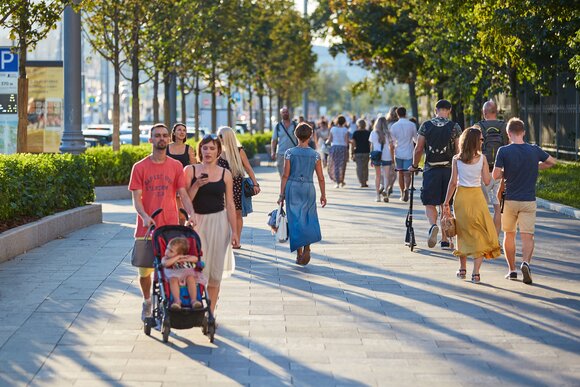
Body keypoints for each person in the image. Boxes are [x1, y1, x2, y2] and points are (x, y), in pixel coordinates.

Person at [128, 123, 196, 322]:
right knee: (145, 271)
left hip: (170, 227)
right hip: (146, 228)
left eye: (165, 135)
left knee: (169, 267)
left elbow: (182, 194)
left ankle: (169, 301)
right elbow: (136, 199)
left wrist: (191, 214)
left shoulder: (176, 166)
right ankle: (147, 300)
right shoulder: (139, 167)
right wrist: (144, 216)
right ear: (150, 140)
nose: (162, 138)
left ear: (169, 138)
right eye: (157, 135)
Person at [492, 118, 556, 284]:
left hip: (510, 200)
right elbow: (552, 161)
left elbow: (495, 175)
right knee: (528, 236)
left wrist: (506, 171)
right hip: (528, 200)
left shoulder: (503, 151)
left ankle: (512, 270)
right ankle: (526, 263)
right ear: (524, 133)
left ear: (508, 133)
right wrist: (535, 166)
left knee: (509, 235)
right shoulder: (533, 150)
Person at [184, 134, 238, 315]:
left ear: (218, 152)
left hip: (219, 223)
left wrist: (235, 232)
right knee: (197, 269)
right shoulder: (190, 170)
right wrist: (197, 185)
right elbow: (184, 200)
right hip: (196, 223)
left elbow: (230, 204)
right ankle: (197, 304)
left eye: (212, 148)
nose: (208, 152)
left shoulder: (225, 174)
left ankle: (210, 313)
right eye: (205, 148)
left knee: (215, 272)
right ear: (199, 150)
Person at [443, 128, 501, 284]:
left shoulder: (456, 159)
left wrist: (446, 202)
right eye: (481, 139)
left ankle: (462, 269)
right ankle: (476, 273)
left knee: (461, 232)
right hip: (476, 198)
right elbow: (488, 181)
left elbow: (453, 182)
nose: (482, 141)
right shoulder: (482, 159)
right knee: (480, 233)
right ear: (475, 141)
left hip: (461, 198)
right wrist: (500, 174)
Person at [410, 99, 462, 249]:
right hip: (448, 170)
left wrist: (414, 166)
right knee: (445, 203)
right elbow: (458, 150)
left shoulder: (426, 126)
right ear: (449, 111)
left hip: (431, 169)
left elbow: (419, 148)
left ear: (436, 110)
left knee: (429, 202)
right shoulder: (455, 127)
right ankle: (445, 238)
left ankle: (433, 225)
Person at [278, 122, 327, 265]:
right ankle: (307, 247)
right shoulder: (315, 155)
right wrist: (323, 195)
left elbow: (285, 175)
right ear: (310, 136)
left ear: (296, 135)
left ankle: (299, 252)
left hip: (292, 187)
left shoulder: (289, 153)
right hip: (308, 188)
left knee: (295, 220)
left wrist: (281, 194)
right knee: (308, 218)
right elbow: (321, 177)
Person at [217, 126, 261, 249]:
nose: (219, 138)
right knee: (222, 215)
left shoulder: (238, 150)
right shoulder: (217, 150)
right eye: (218, 136)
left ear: (228, 137)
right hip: (220, 187)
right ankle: (225, 240)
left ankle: (237, 240)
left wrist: (255, 184)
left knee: (237, 214)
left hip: (236, 186)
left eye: (221, 136)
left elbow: (248, 168)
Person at [473, 100, 508, 237]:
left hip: (483, 171)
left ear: (484, 112)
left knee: (481, 206)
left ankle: (482, 238)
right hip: (499, 171)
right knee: (497, 207)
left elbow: (473, 148)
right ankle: (495, 240)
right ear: (496, 112)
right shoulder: (504, 126)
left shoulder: (478, 126)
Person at [161, 237, 204, 310]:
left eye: (171, 251)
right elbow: (165, 263)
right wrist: (176, 257)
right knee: (173, 280)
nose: (167, 252)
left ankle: (194, 300)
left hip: (186, 275)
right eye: (167, 248)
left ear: (181, 253)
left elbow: (196, 259)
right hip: (173, 276)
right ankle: (177, 301)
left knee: (191, 278)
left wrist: (184, 258)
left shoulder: (184, 257)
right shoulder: (166, 258)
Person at [167, 123, 196, 225]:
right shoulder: (166, 148)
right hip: (168, 183)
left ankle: (181, 232)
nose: (182, 132)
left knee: (182, 214)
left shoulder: (189, 149)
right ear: (174, 133)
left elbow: (194, 168)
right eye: (179, 130)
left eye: (184, 130)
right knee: (169, 212)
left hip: (183, 184)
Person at [390, 107, 417, 202]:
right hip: (409, 152)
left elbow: (392, 142)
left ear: (397, 114)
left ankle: (402, 193)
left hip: (398, 153)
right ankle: (407, 188)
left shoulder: (394, 126)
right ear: (405, 114)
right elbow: (416, 139)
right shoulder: (412, 125)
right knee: (407, 174)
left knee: (400, 173)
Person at [370, 116, 395, 202]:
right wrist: (392, 157)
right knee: (386, 176)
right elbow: (391, 146)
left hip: (377, 155)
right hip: (386, 156)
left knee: (377, 176)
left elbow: (372, 146)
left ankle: (377, 196)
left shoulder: (373, 133)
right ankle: (385, 192)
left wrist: (371, 158)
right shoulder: (388, 133)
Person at [271, 106, 298, 177]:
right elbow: (274, 140)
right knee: (282, 175)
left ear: (289, 113)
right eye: (283, 112)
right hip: (281, 153)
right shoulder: (278, 126)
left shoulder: (295, 125)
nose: (285, 114)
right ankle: (284, 187)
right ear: (281, 114)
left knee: (292, 174)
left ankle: (290, 187)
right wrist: (273, 152)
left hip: (293, 153)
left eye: (286, 112)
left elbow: (300, 139)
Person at [327, 115, 350, 188]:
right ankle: (341, 180)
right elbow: (346, 141)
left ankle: (337, 181)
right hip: (343, 148)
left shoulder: (333, 129)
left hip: (334, 147)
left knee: (335, 164)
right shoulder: (345, 130)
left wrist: (326, 142)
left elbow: (330, 139)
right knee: (342, 165)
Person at [350, 118, 371, 187]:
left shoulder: (355, 133)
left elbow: (353, 143)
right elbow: (370, 144)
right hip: (366, 151)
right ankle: (364, 181)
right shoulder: (368, 133)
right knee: (365, 167)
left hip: (358, 152)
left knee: (359, 167)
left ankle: (361, 181)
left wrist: (352, 152)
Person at [385, 107, 399, 196]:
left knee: (386, 171)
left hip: (386, 149)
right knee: (394, 171)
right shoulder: (398, 124)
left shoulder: (386, 124)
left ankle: (386, 186)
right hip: (396, 148)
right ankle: (390, 186)